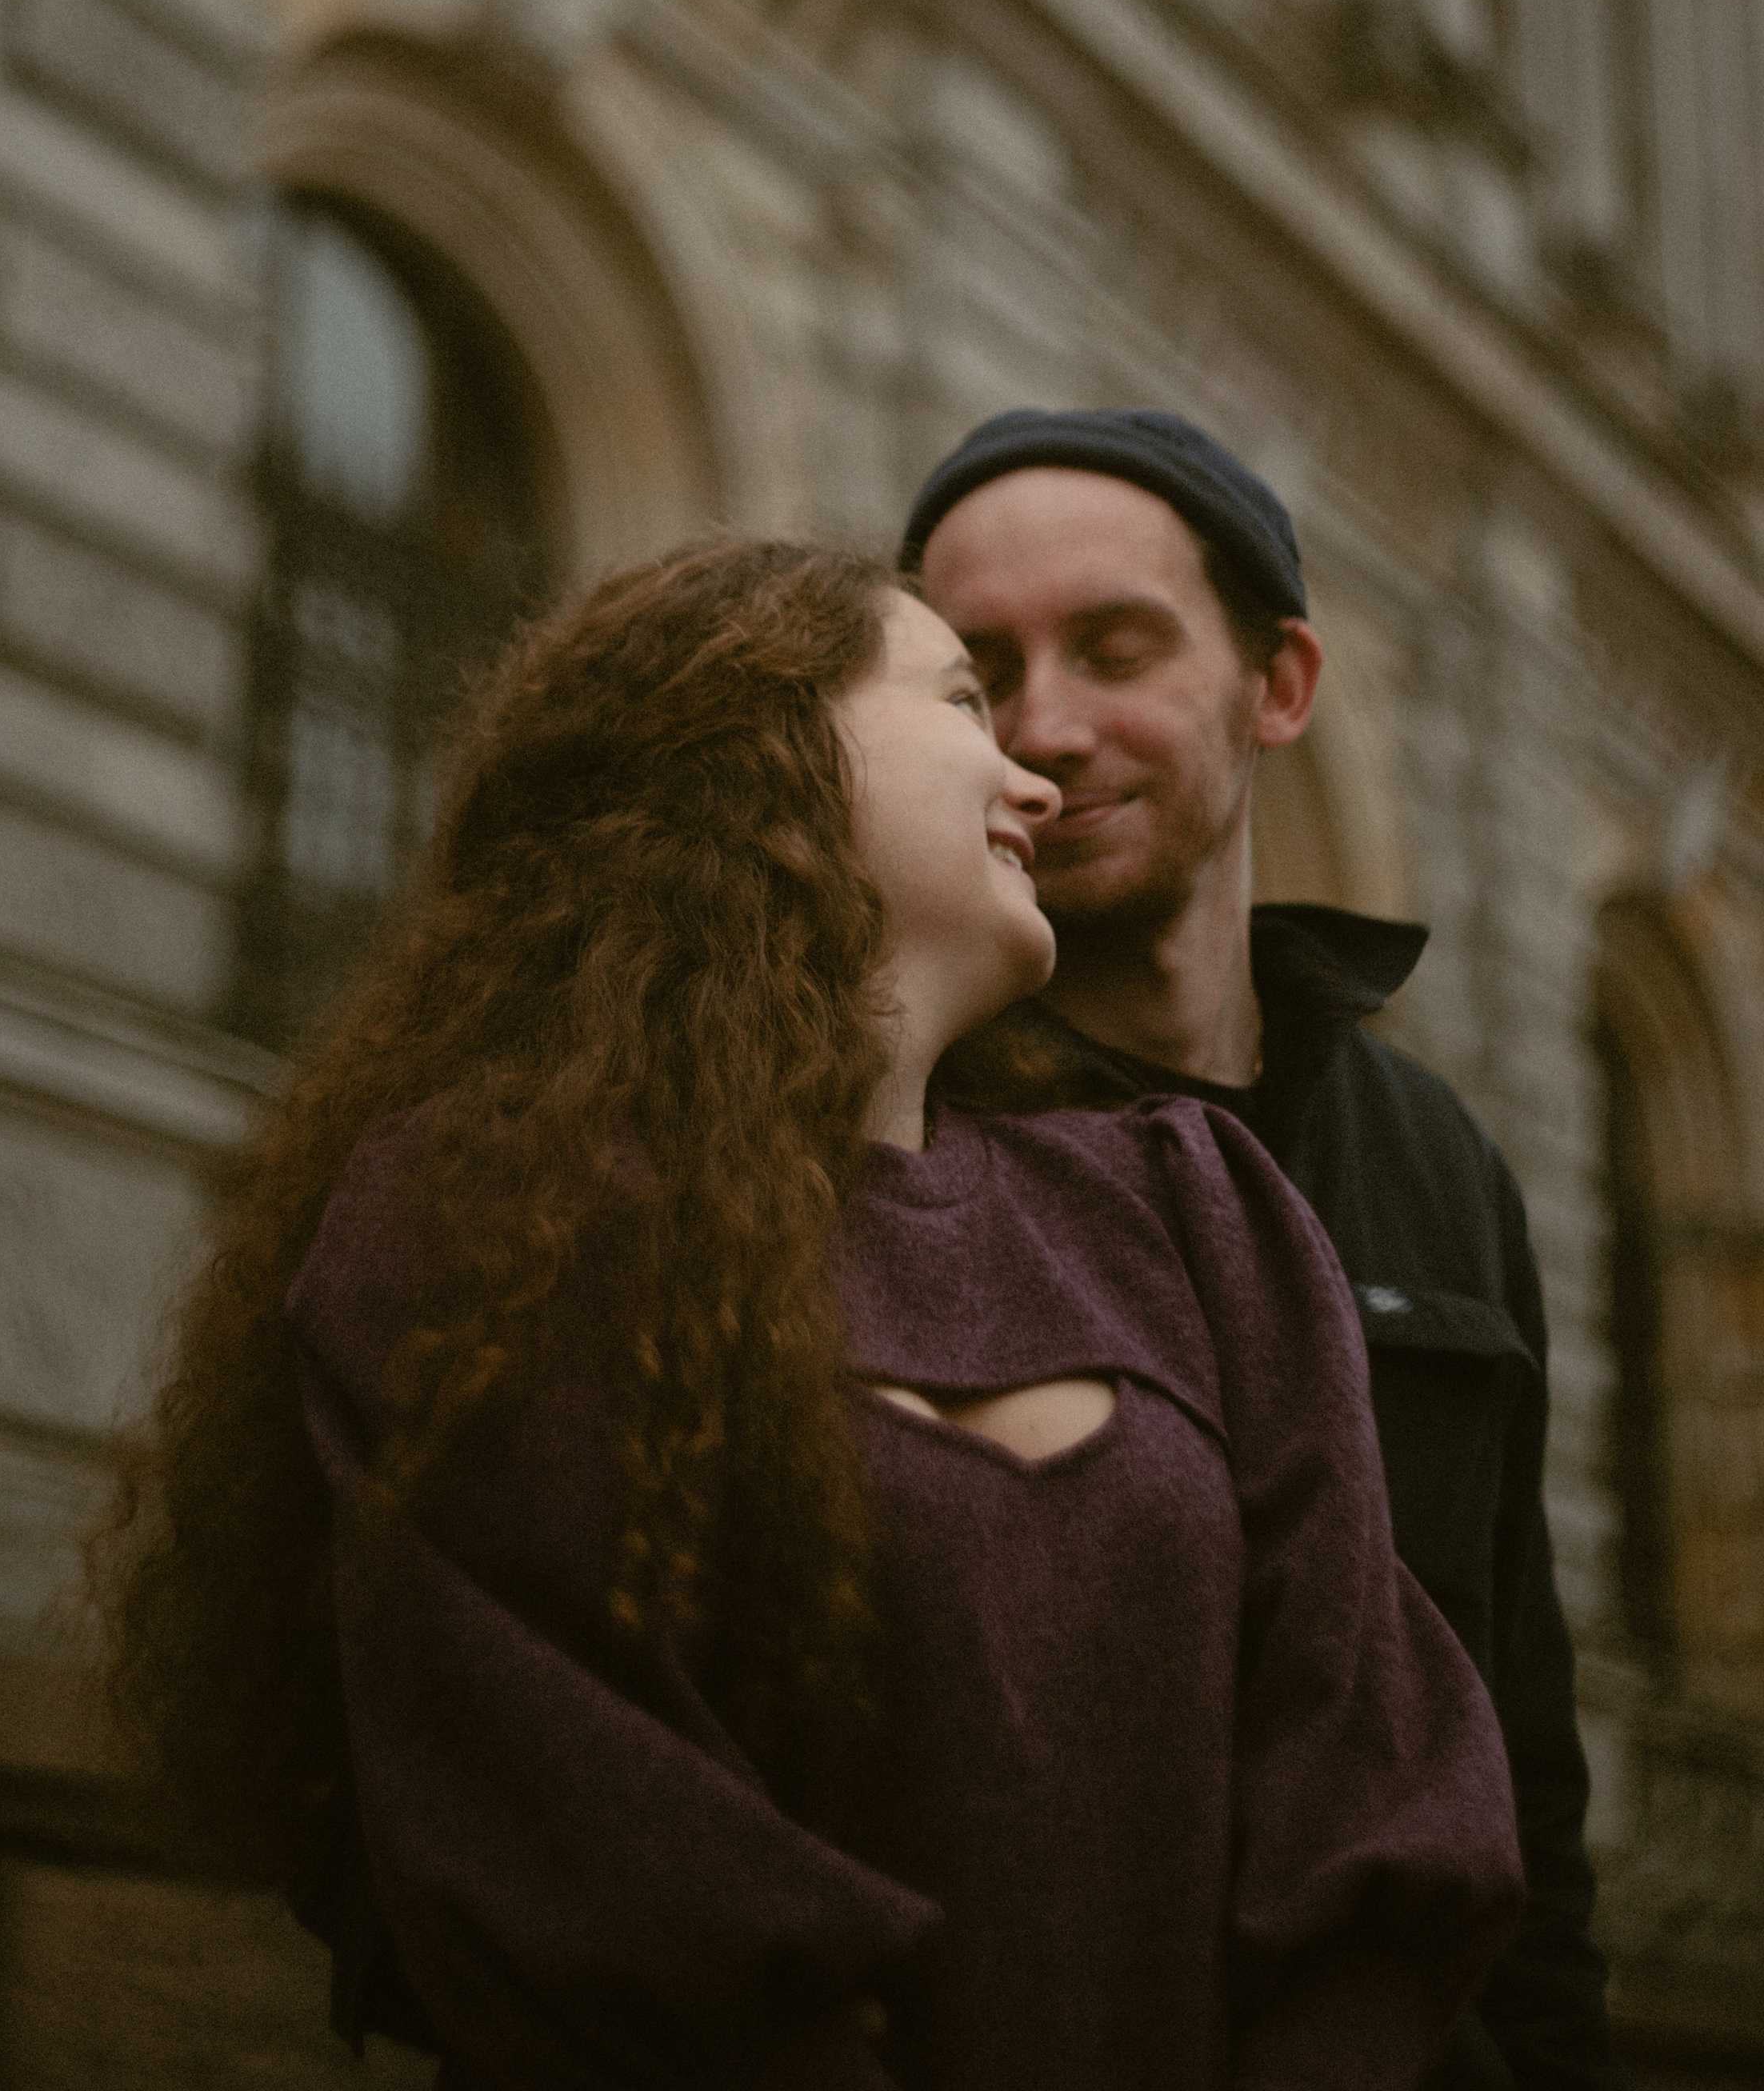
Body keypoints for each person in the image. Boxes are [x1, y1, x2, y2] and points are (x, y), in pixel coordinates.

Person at [93, 537, 1522, 2089]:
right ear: (758, 751)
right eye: (961, 698)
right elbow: (595, 1849)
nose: (1033, 775)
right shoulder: (501, 1211)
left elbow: (1379, 1797)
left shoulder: (1196, 1209)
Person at [902, 409, 1623, 2091]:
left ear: (1275, 684)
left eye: (1114, 645)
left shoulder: (1435, 1164)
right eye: (976, 672)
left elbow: (1517, 1752)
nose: (1044, 726)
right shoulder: (881, 1123)